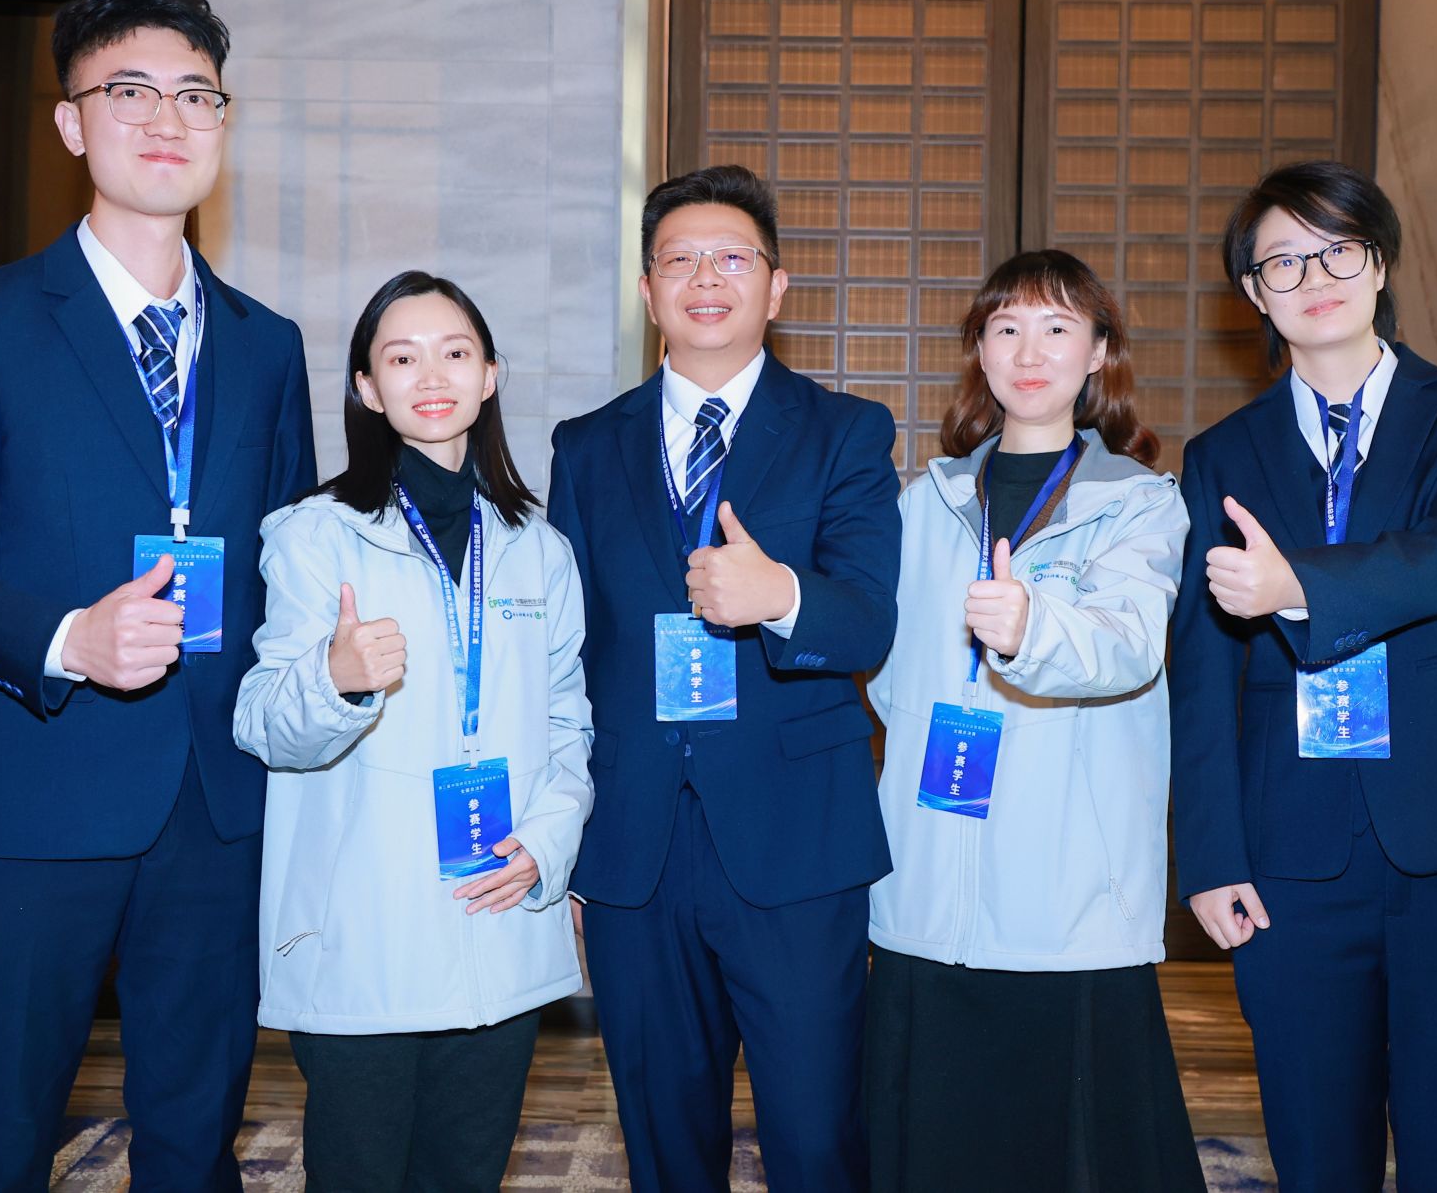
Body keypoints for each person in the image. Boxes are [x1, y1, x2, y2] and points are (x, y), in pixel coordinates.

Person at [0, 0, 315, 1189]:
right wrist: (68, 638)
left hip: (215, 810)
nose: (166, 119)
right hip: (33, 800)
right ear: (72, 123)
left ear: (223, 124)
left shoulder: (267, 345)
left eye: (195, 95)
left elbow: (288, 565)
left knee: (194, 1139)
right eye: (129, 91)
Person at [1170, 160, 1437, 1192]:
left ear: (1380, 262)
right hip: (1291, 857)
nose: (1314, 277)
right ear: (1253, 292)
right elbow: (1202, 668)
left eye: (1337, 251)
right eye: (1282, 261)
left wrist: (1296, 586)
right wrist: (1209, 854)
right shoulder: (1220, 454)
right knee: (1316, 1153)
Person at [546, 165, 900, 1192]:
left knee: (816, 1138)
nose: (707, 278)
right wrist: (569, 838)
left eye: (733, 258)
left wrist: (779, 593)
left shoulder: (845, 431)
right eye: (681, 260)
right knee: (663, 1142)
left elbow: (868, 619)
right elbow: (566, 656)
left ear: (775, 286)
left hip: (796, 839)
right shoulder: (586, 445)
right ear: (648, 290)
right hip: (634, 846)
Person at [235, 271, 592, 1192]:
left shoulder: (540, 549)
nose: (430, 375)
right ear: (366, 387)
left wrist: (547, 842)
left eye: (454, 352)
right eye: (401, 357)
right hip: (366, 933)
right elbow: (263, 722)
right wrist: (335, 679)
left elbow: (568, 719)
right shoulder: (315, 536)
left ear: (490, 374)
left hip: (499, 913)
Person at [864, 249, 1205, 1192]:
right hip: (928, 883)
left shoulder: (1138, 504)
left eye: (1058, 327)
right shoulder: (922, 504)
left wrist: (1031, 628)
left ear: (1098, 351)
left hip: (1068, 895)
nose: (1029, 350)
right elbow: (886, 673)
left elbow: (1128, 645)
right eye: (1006, 327)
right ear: (979, 349)